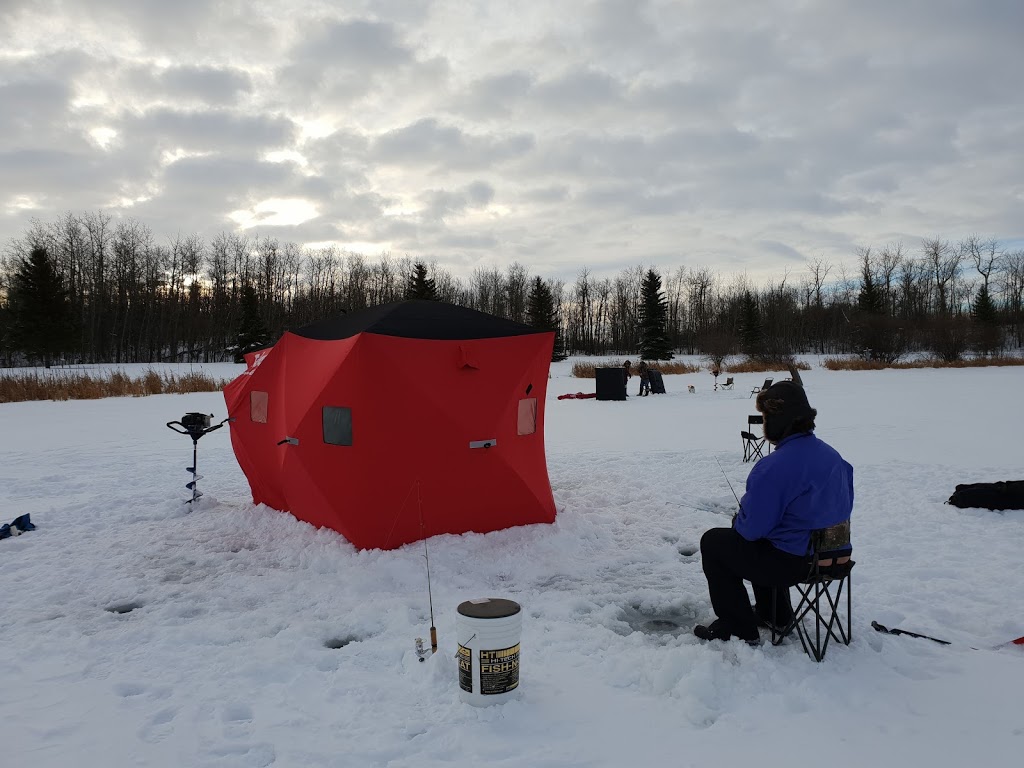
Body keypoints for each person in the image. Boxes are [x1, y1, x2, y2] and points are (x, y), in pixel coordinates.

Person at [693, 381, 854, 645]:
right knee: (768, 541)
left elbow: (752, 529)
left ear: (777, 420)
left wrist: (740, 519)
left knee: (714, 542)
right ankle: (774, 614)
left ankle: (737, 627)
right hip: (834, 560)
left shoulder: (774, 467)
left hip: (792, 564)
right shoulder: (835, 458)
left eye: (766, 417)